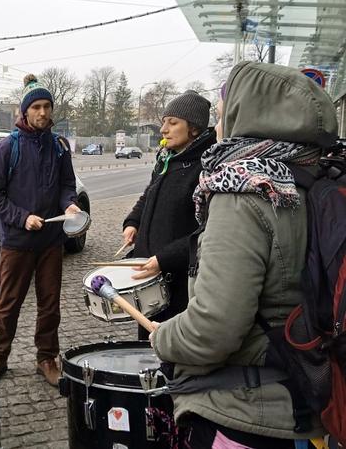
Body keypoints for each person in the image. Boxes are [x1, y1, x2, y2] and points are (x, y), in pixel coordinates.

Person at [151, 61, 338, 448]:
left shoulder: (245, 189)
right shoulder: (315, 174)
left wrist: (162, 338)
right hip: (306, 396)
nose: (219, 123)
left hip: (247, 412)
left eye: (223, 111)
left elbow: (213, 330)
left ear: (245, 114)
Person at [0, 74, 80, 386]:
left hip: (51, 241)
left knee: (50, 304)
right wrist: (22, 218)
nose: (42, 112)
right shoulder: (6, 148)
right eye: (36, 106)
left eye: (47, 106)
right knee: (8, 305)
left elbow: (67, 184)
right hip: (17, 241)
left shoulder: (59, 146)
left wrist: (70, 204)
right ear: (24, 112)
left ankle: (47, 357)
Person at [121, 89, 216, 339]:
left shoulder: (206, 168)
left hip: (179, 278)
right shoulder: (167, 158)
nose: (163, 129)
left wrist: (165, 258)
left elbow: (208, 231)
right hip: (149, 274)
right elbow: (149, 195)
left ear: (194, 129)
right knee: (146, 343)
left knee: (170, 346)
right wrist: (133, 222)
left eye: (172, 123)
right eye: (164, 122)